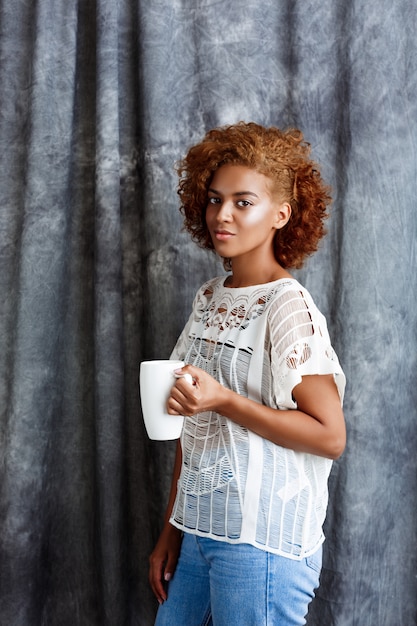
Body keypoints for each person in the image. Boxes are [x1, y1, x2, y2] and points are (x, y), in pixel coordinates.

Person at [149, 122, 346, 626]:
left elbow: (330, 437)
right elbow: (192, 424)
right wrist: (173, 529)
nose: (222, 215)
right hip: (200, 532)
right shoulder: (210, 297)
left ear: (282, 213)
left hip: (262, 543)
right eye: (215, 200)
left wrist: (225, 400)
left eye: (243, 202)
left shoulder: (288, 306)